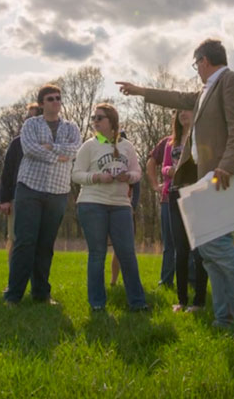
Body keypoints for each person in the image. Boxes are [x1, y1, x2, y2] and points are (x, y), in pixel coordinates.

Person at [118, 38, 234, 337]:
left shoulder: (231, 81)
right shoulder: (207, 90)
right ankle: (226, 319)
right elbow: (179, 97)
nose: (196, 70)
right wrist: (141, 91)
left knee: (216, 246)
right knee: (209, 250)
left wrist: (229, 164)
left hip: (222, 175)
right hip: (205, 176)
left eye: (196, 64)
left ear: (204, 61)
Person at [2, 84, 81, 305]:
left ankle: (41, 294)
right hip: (30, 188)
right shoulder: (31, 124)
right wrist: (58, 154)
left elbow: (74, 150)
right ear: (42, 103)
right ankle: (13, 295)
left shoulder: (71, 127)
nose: (55, 101)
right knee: (25, 242)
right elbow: (29, 149)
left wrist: (49, 148)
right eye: (50, 98)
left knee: (45, 244)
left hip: (58, 191)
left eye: (58, 98)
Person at [72, 104, 149, 311]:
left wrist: (128, 177)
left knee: (127, 253)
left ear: (112, 122)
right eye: (94, 118)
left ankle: (138, 303)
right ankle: (97, 304)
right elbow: (76, 174)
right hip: (92, 203)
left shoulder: (127, 146)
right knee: (97, 254)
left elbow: (137, 172)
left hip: (121, 205)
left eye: (100, 118)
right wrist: (97, 177)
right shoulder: (89, 146)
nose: (96, 121)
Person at [157, 109, 208, 311]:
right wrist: (168, 171)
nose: (183, 115)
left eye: (188, 111)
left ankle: (200, 301)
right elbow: (164, 166)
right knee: (181, 249)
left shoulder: (200, 137)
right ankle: (181, 300)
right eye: (180, 112)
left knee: (198, 249)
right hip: (174, 194)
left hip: (196, 194)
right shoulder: (172, 142)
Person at [0, 102, 42, 255]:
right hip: (17, 198)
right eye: (27, 118)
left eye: (34, 117)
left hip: (44, 197)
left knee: (39, 240)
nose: (29, 121)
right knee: (15, 238)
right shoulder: (17, 142)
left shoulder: (52, 143)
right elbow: (8, 172)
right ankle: (14, 276)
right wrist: (5, 199)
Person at [146, 115, 178, 288]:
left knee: (192, 242)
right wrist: (154, 185)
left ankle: (192, 282)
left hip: (192, 197)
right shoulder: (166, 142)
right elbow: (151, 162)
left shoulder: (197, 139)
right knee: (169, 242)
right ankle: (166, 281)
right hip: (168, 198)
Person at [110, 131, 142, 287]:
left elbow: (137, 188)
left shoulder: (130, 163)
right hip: (105, 206)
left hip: (125, 209)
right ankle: (112, 283)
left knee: (122, 248)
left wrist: (133, 207)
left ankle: (119, 282)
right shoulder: (105, 158)